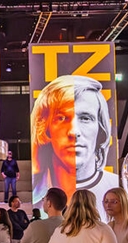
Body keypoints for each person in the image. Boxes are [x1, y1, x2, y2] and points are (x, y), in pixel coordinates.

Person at [30, 75, 118, 211]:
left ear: (101, 131)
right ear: (46, 129)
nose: (74, 131)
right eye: (61, 118)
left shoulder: (117, 187)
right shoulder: (36, 198)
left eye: (85, 118)